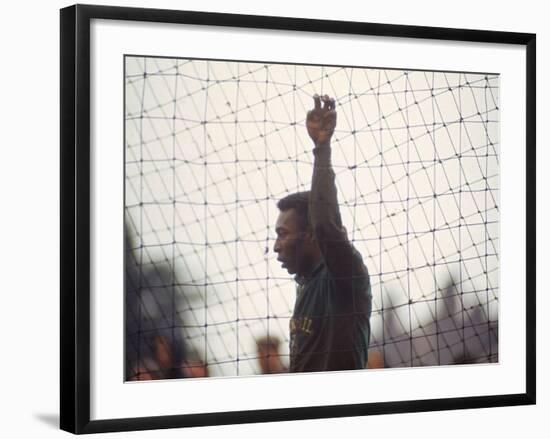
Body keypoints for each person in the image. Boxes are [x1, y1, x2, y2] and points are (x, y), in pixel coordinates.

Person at [273, 94, 372, 373]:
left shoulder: (345, 278)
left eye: (283, 234)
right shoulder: (306, 284)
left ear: (311, 235)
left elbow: (326, 226)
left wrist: (322, 148)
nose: (276, 246)